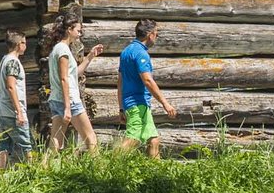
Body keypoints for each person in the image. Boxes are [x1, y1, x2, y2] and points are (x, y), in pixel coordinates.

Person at [116, 19, 177, 156]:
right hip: (137, 104)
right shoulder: (141, 53)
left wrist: (121, 108)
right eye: (157, 33)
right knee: (133, 138)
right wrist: (165, 103)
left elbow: (120, 82)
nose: (157, 37)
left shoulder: (126, 52)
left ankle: (156, 174)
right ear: (150, 35)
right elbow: (148, 80)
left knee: (153, 140)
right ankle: (107, 166)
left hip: (133, 104)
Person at [44, 15, 103, 155]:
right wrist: (68, 107)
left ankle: (44, 170)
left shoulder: (57, 49)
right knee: (91, 138)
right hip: (69, 100)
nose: (79, 33)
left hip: (56, 99)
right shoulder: (63, 50)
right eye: (78, 30)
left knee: (56, 141)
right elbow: (64, 79)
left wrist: (90, 57)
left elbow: (73, 74)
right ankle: (98, 171)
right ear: (69, 30)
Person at [0, 30, 31, 169]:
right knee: (28, 145)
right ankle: (37, 174)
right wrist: (19, 112)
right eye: (24, 43)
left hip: (2, 110)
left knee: (4, 146)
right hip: (11, 112)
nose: (25, 46)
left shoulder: (4, 60)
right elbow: (11, 86)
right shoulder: (13, 62)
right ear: (18, 44)